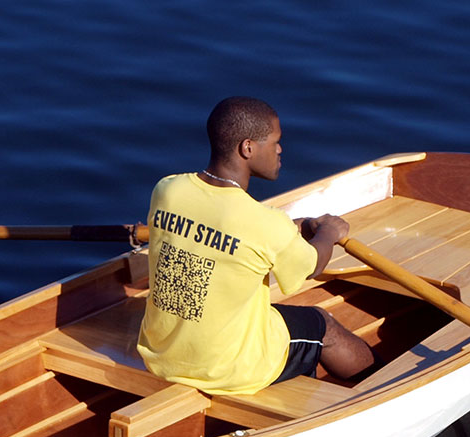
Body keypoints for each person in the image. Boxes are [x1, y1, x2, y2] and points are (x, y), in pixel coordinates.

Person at [136, 97, 373, 396]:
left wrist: (292, 227)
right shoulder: (265, 224)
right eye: (275, 141)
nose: (279, 149)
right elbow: (313, 265)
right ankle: (378, 384)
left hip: (161, 355)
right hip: (230, 370)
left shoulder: (168, 189)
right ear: (247, 148)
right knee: (320, 323)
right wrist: (328, 233)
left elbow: (222, 225)